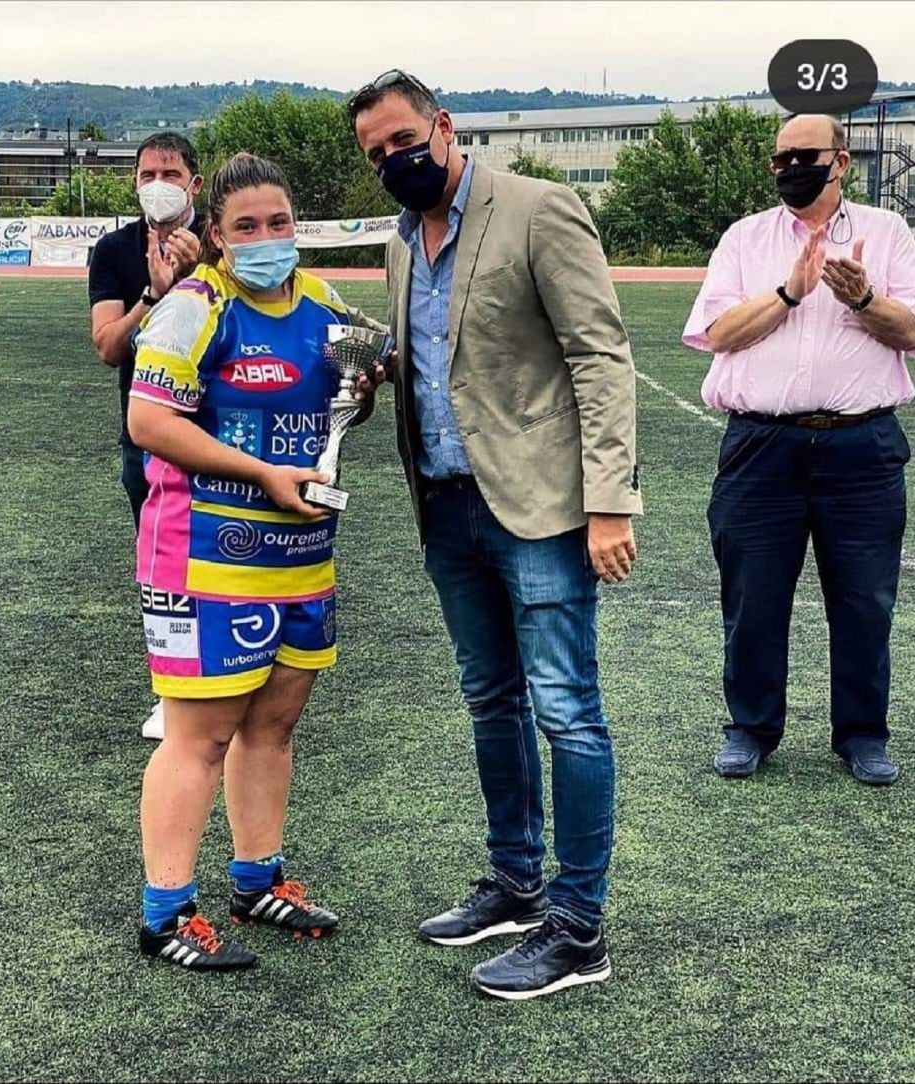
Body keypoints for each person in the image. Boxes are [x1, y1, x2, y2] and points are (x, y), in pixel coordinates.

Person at [350, 71, 642, 1001]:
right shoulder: (402, 240)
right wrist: (376, 377)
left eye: (402, 140)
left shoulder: (537, 209)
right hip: (445, 504)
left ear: (443, 127)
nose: (392, 161)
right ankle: (515, 883)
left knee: (566, 710)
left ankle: (577, 927)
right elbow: (441, 364)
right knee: (490, 702)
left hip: (543, 509)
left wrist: (608, 501)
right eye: (374, 155)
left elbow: (599, 355)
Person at [128, 153, 385, 971]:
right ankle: (166, 913)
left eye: (279, 224)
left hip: (303, 555)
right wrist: (263, 474)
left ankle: (256, 878)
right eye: (247, 227)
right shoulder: (196, 308)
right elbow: (149, 422)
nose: (267, 238)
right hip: (202, 556)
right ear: (218, 234)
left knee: (273, 727)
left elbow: (343, 399)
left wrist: (363, 396)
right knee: (198, 737)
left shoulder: (324, 303)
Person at [683, 114, 915, 786]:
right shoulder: (745, 239)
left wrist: (864, 296)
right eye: (780, 159)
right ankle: (750, 728)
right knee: (753, 596)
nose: (789, 168)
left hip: (862, 448)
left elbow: (909, 331)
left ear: (839, 161)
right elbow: (718, 332)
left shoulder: (889, 233)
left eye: (803, 156)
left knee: (866, 600)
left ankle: (863, 734)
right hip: (761, 447)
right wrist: (789, 293)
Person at [89, 131, 204, 740]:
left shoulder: (221, 239)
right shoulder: (114, 250)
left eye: (169, 172)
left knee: (231, 551)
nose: (156, 184)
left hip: (221, 421)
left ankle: (239, 676)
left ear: (195, 183)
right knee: (165, 565)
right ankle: (173, 688)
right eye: (146, 174)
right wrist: (153, 296)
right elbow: (109, 346)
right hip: (149, 432)